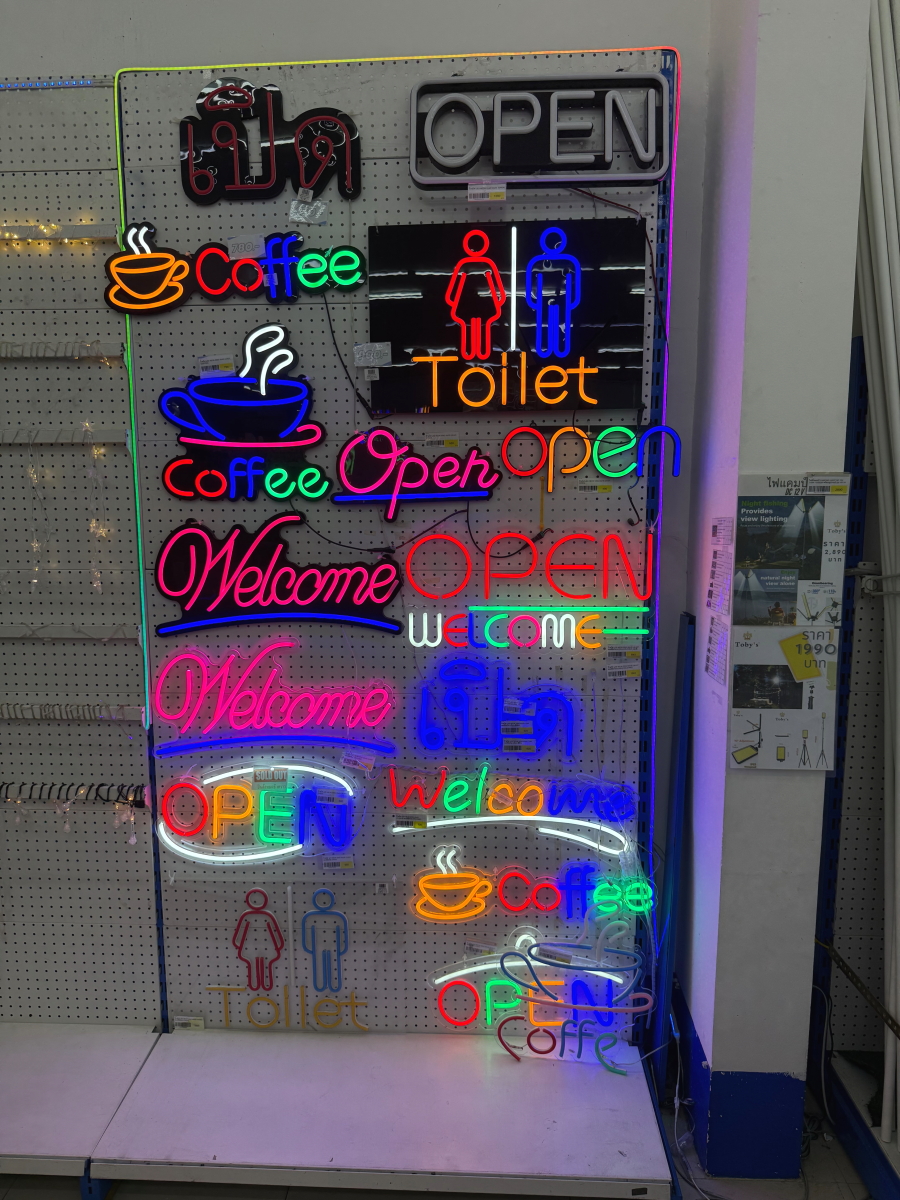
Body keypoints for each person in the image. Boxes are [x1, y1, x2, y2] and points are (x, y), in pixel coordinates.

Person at [444, 229, 506, 360]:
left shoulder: (480, 264)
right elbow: (500, 293)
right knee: (474, 332)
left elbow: (450, 295)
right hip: (476, 308)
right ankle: (471, 356)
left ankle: (473, 356)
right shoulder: (482, 264)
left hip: (474, 308)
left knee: (475, 332)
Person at [525, 227, 582, 358]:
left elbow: (574, 285)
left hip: (559, 302)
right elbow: (532, 288)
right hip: (550, 302)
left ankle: (557, 352)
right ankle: (551, 352)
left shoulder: (567, 262)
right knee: (549, 329)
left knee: (556, 328)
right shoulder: (538, 263)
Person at [232, 888, 285, 991]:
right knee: (252, 964)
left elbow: (279, 940)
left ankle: (264, 985)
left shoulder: (265, 915)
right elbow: (236, 940)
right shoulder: (248, 915)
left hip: (263, 950)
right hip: (253, 950)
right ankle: (258, 985)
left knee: (267, 964)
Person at [301, 888, 349, 992]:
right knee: (319, 963)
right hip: (320, 950)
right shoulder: (309, 917)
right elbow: (306, 946)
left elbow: (344, 947)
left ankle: (330, 986)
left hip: (331, 950)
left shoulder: (309, 916)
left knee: (325, 961)